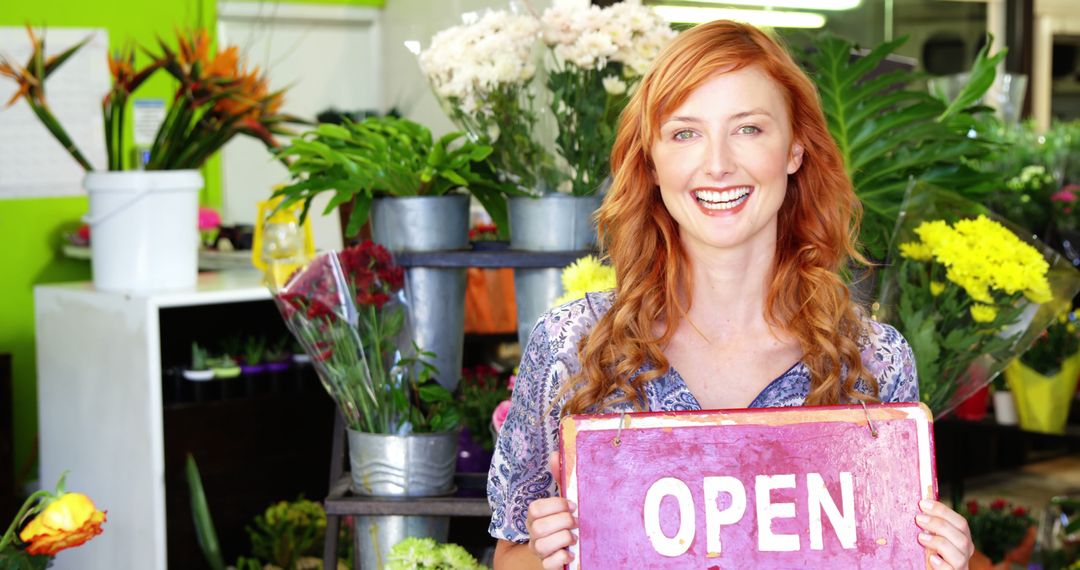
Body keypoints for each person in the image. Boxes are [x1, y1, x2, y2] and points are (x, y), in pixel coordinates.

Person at [488, 19, 974, 570]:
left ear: (795, 150)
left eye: (748, 129)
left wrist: (934, 560)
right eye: (685, 133)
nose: (718, 164)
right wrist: (545, 557)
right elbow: (508, 554)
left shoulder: (871, 363)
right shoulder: (572, 347)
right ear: (650, 161)